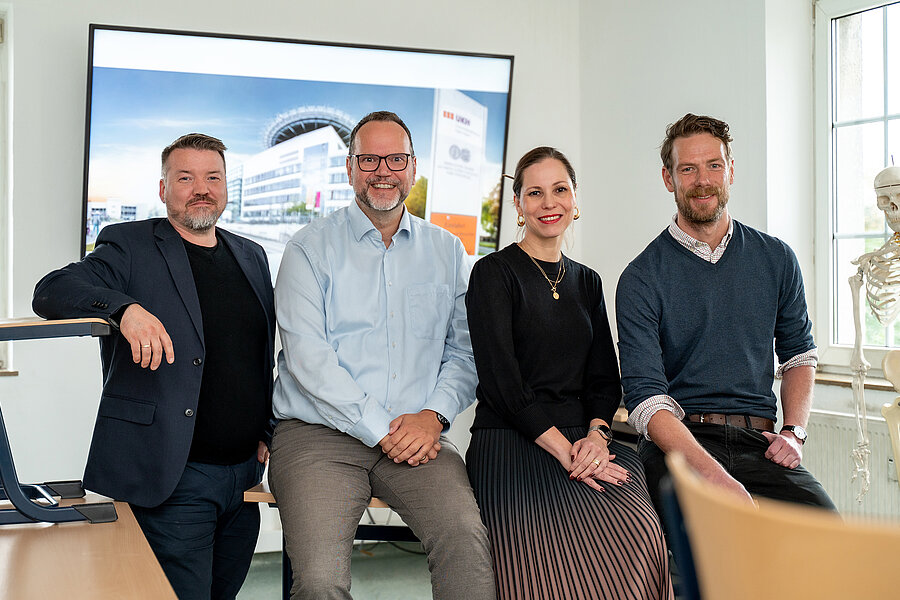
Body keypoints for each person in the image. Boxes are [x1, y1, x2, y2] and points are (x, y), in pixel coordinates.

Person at [32, 133, 275, 600]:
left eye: (213, 177)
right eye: (185, 177)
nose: (201, 188)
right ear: (164, 189)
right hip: (173, 476)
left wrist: (266, 426)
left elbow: (258, 354)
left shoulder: (252, 255)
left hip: (244, 478)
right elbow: (51, 291)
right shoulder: (130, 245)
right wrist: (123, 309)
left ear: (226, 187)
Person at [268, 111, 494, 600]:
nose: (383, 171)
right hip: (317, 437)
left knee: (468, 551)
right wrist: (383, 429)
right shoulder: (307, 249)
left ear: (413, 167)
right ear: (350, 168)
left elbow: (465, 351)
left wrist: (433, 416)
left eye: (396, 158)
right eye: (369, 159)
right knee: (320, 581)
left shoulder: (448, 251)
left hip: (420, 436)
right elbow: (309, 360)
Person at [465, 146, 673, 600]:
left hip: (586, 440)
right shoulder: (492, 273)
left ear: (576, 200)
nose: (549, 203)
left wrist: (597, 438)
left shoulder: (588, 281)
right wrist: (565, 450)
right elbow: (502, 382)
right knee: (542, 562)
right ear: (519, 205)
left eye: (560, 190)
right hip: (511, 441)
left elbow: (603, 379)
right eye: (535, 193)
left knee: (636, 529)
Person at [615, 113, 835, 513]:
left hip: (760, 445)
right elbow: (646, 401)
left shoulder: (777, 258)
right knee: (697, 553)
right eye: (688, 169)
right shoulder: (640, 278)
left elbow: (800, 355)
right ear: (669, 179)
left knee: (827, 538)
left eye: (714, 165)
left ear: (730, 171)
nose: (703, 180)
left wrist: (794, 432)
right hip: (680, 449)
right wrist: (714, 474)